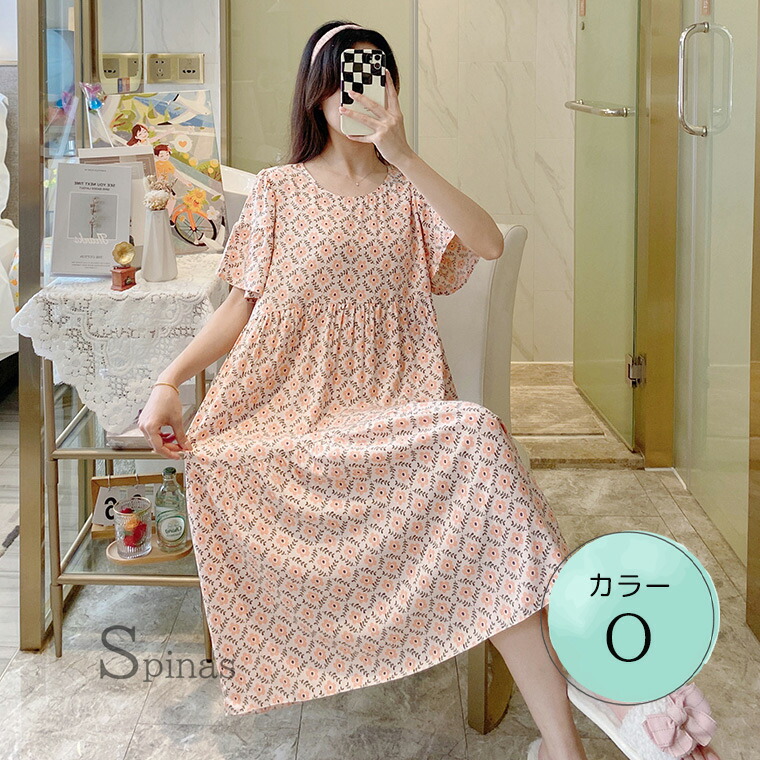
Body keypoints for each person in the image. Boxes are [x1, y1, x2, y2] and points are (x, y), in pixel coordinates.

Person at [138, 21, 722, 760]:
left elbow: (488, 244)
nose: (359, 95)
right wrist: (169, 381)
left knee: (481, 460)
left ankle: (567, 741)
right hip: (292, 411)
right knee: (491, 490)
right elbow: (239, 306)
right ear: (317, 94)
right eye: (345, 80)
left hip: (400, 407)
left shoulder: (408, 192)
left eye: (375, 78)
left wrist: (405, 155)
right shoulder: (279, 190)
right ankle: (599, 692)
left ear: (391, 91)